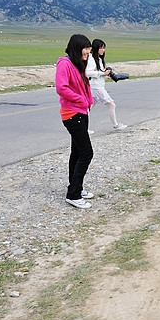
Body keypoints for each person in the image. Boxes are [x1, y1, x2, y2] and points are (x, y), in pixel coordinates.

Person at [55, 34, 95, 209]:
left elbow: (84, 84)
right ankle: (73, 194)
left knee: (77, 152)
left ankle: (75, 187)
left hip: (81, 112)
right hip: (72, 114)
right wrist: (81, 100)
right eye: (86, 48)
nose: (88, 52)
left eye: (89, 49)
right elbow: (61, 87)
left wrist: (89, 99)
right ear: (77, 48)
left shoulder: (78, 64)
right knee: (87, 153)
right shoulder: (65, 64)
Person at [86, 39, 127, 131]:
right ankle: (116, 125)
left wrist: (105, 74)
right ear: (96, 48)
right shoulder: (92, 59)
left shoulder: (98, 59)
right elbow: (88, 73)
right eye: (101, 48)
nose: (103, 50)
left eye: (104, 48)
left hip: (95, 86)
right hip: (97, 87)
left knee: (89, 108)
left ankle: (85, 129)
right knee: (112, 105)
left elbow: (97, 72)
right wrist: (102, 74)